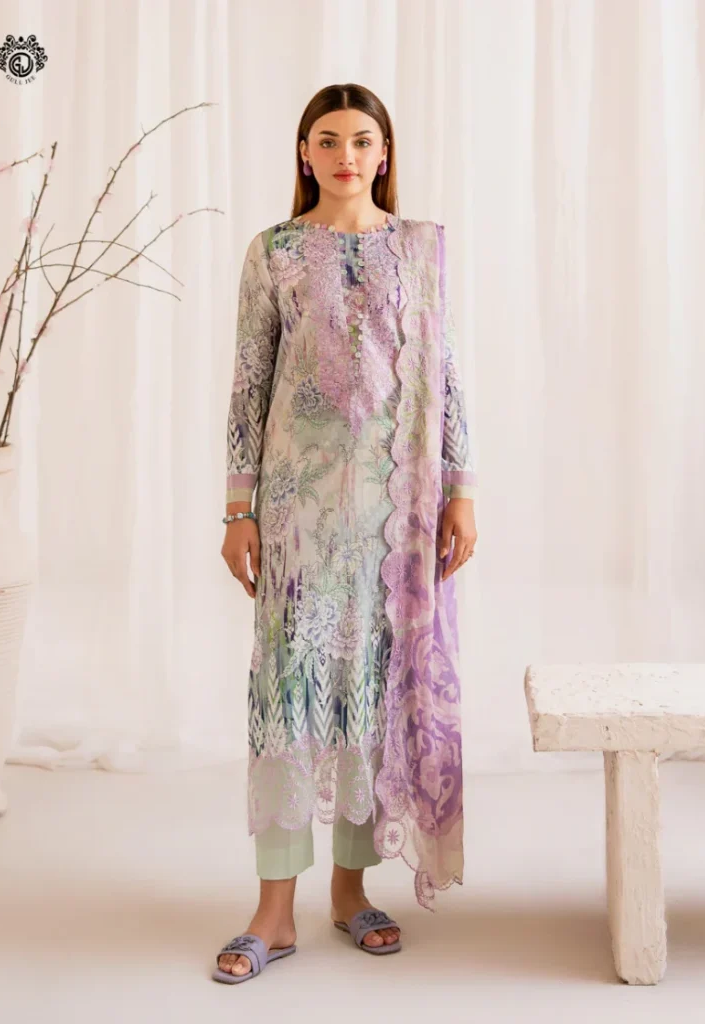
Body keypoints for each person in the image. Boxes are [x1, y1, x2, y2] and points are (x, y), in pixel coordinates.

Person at [215, 83, 478, 983]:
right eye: (326, 140)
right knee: (287, 694)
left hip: (393, 515)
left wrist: (461, 490)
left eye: (362, 140)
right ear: (304, 153)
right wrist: (239, 510)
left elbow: (446, 372)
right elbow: (249, 385)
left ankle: (350, 892)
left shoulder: (420, 248)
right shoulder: (276, 252)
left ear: (384, 152)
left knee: (372, 693)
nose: (345, 156)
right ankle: (274, 912)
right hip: (296, 514)